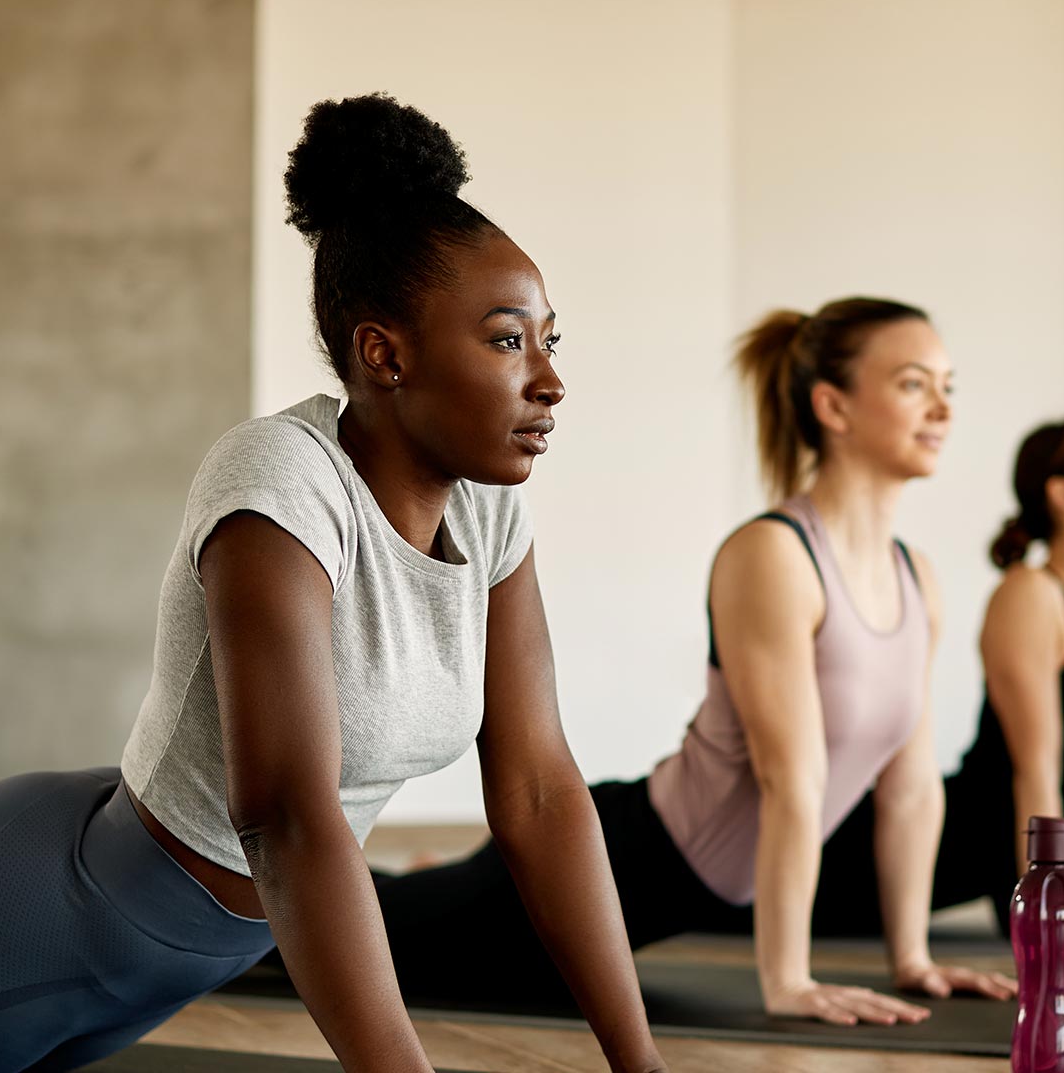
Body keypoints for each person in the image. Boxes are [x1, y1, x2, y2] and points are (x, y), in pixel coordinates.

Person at [0, 94, 666, 1073]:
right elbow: (284, 818)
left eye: (550, 341)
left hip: (163, 968)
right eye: (506, 340)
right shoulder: (280, 478)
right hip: (24, 929)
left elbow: (538, 793)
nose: (549, 380)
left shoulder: (491, 515)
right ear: (384, 352)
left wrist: (640, 1063)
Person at [367, 298, 1015, 1027]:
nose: (942, 409)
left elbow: (911, 788)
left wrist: (914, 960)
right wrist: (789, 981)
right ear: (832, 405)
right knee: (362, 936)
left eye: (948, 386)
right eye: (912, 384)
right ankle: (253, 887)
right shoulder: (776, 555)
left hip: (694, 890)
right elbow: (790, 780)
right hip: (623, 860)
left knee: (396, 914)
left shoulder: (915, 576)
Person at [761, 413, 1064, 957]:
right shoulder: (1029, 596)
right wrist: (1048, 914)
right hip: (919, 856)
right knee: (740, 899)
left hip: (1027, 867)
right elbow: (1036, 770)